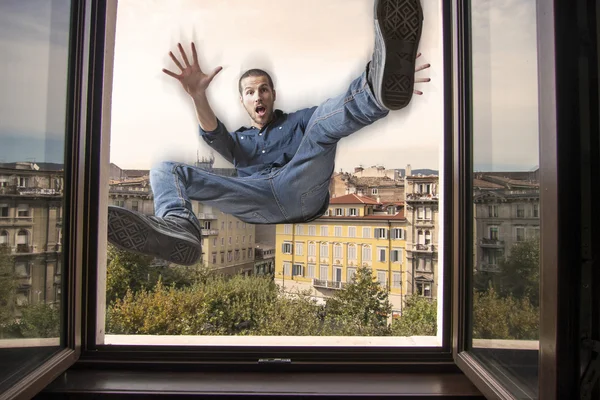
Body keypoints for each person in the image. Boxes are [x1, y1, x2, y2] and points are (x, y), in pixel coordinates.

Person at [107, 0, 430, 266]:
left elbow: (329, 120)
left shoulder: (299, 121)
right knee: (166, 168)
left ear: (272, 94)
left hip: (299, 189)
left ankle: (376, 87)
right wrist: (197, 95)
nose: (258, 96)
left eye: (263, 89)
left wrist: (383, 86)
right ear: (243, 100)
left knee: (320, 126)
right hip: (253, 199)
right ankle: (180, 227)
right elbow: (213, 131)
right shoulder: (239, 141)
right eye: (250, 92)